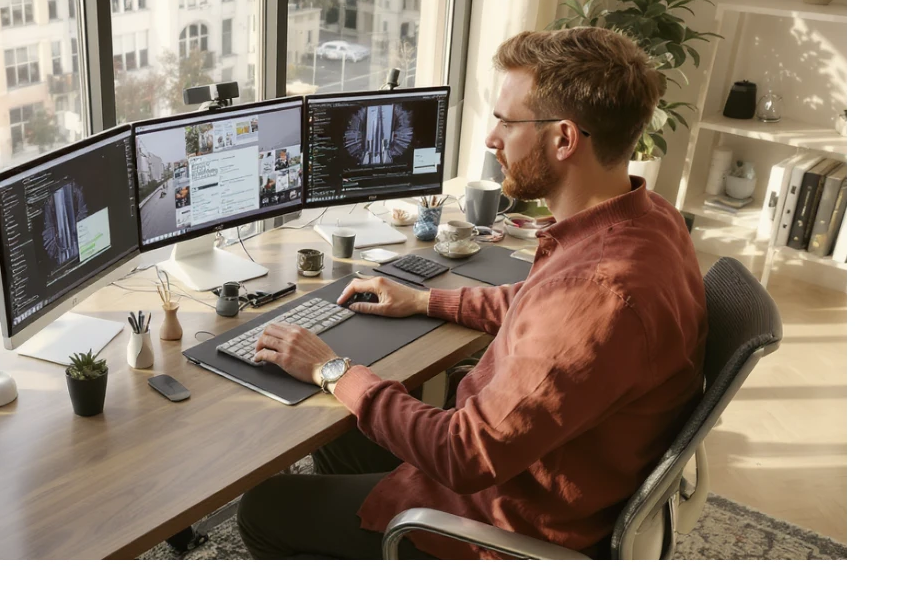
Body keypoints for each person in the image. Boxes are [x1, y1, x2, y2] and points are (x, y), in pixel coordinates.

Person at [237, 27, 708, 560]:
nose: (491, 138)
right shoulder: (649, 218)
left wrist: (332, 369)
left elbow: (464, 454)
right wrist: (424, 301)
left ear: (564, 139)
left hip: (500, 518)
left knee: (264, 507)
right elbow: (541, 306)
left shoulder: (598, 292)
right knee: (342, 424)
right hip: (548, 466)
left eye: (507, 121)